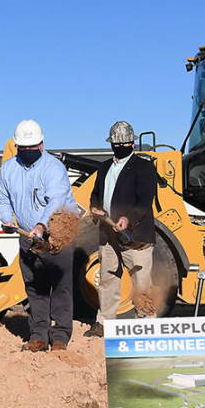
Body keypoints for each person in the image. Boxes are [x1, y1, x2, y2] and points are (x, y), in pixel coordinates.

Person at [0, 120, 77, 352]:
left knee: (61, 287)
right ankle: (39, 335)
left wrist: (41, 224)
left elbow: (57, 200)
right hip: (27, 237)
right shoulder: (9, 169)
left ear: (42, 144)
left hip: (56, 235)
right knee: (35, 288)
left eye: (32, 148)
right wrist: (7, 218)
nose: (28, 152)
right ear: (17, 146)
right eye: (24, 148)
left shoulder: (53, 168)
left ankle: (60, 336)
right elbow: (2, 199)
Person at [85, 121, 159, 337]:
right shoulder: (104, 167)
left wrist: (128, 219)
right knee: (108, 279)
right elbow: (95, 193)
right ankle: (104, 323)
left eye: (125, 143)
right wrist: (95, 207)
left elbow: (145, 201)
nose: (120, 146)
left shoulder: (144, 167)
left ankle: (146, 323)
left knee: (142, 281)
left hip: (135, 236)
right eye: (117, 143)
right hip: (108, 235)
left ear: (133, 143)